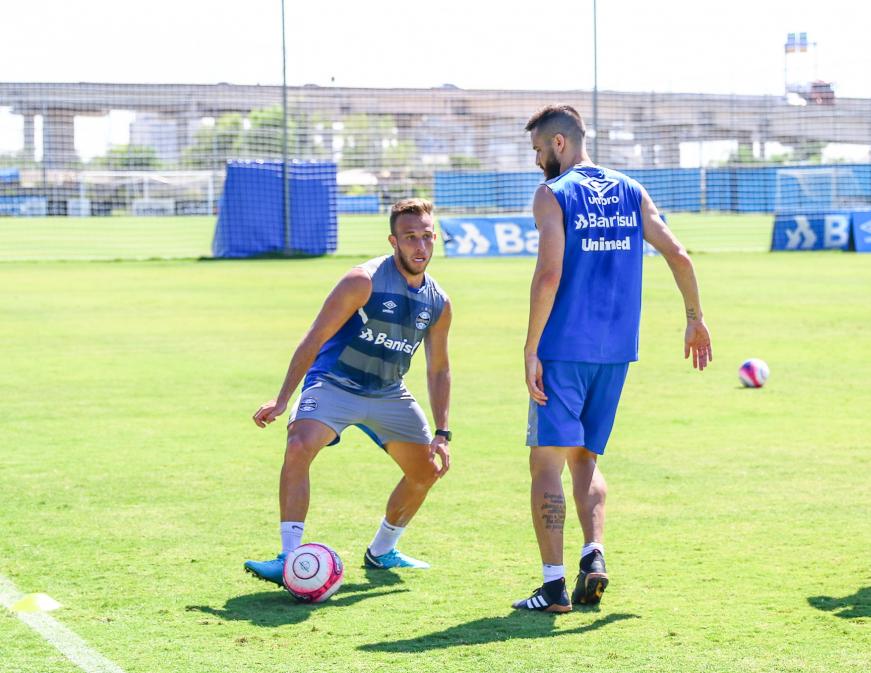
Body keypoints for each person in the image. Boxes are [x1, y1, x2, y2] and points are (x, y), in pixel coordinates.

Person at [513, 105, 712, 613]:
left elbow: (548, 277)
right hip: (616, 352)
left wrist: (532, 347)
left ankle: (554, 587)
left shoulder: (553, 194)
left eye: (539, 150)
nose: (537, 161)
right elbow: (680, 255)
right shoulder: (631, 190)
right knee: (586, 459)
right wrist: (694, 317)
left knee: (546, 464)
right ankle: (593, 557)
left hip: (562, 349)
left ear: (559, 144)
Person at [245, 198, 452, 585]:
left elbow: (439, 368)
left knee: (427, 471)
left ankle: (382, 551)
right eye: (410, 238)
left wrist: (442, 432)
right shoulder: (363, 280)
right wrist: (283, 398)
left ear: (435, 238)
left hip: (389, 391)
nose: (420, 247)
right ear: (393, 241)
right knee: (299, 443)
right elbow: (315, 337)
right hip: (334, 383)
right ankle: (289, 557)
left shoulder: (438, 302)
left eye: (426, 237)